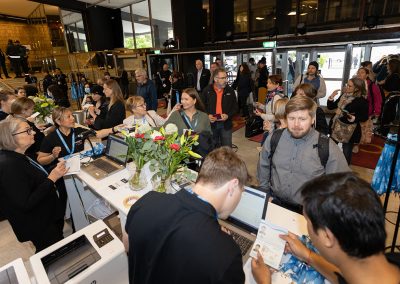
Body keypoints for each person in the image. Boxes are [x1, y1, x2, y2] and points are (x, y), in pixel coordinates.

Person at [123, 147, 249, 284]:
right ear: (233, 186)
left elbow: (128, 245)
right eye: (242, 192)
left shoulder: (147, 201)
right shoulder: (227, 254)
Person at [251, 173, 400, 284]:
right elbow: (344, 277)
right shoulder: (388, 264)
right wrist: (307, 255)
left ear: (327, 237)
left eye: (307, 221)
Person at [258, 96, 350, 211]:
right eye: (291, 118)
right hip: (275, 202)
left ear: (312, 119)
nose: (296, 124)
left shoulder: (327, 147)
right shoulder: (275, 138)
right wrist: (264, 193)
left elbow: (343, 184)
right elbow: (264, 165)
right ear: (285, 118)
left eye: (302, 119)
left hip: (308, 211)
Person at [0, 117, 68, 251]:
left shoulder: (18, 155)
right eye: (28, 131)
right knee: (52, 254)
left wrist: (53, 172)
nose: (34, 133)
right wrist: (52, 178)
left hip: (45, 216)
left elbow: (32, 179)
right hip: (38, 223)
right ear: (11, 137)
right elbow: (25, 203)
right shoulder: (9, 165)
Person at [327, 77, 369, 164]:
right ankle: (329, 165)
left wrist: (353, 118)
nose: (347, 87)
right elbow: (331, 107)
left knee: (346, 151)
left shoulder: (361, 101)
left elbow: (364, 117)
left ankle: (345, 171)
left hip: (349, 130)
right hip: (335, 126)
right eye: (347, 85)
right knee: (330, 148)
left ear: (357, 88)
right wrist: (332, 96)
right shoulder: (344, 95)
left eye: (350, 86)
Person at [201, 67, 238, 148]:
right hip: (211, 124)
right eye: (223, 78)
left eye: (226, 77)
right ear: (215, 79)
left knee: (227, 149)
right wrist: (207, 115)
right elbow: (201, 107)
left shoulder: (230, 91)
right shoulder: (207, 90)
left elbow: (235, 107)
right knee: (212, 148)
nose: (226, 80)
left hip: (226, 125)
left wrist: (228, 115)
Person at [255, 75, 285, 144]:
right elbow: (270, 109)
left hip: (273, 129)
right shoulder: (271, 95)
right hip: (269, 127)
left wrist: (261, 115)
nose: (267, 85)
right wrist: (261, 106)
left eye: (270, 83)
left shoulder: (277, 97)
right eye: (267, 83)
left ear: (277, 84)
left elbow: (276, 117)